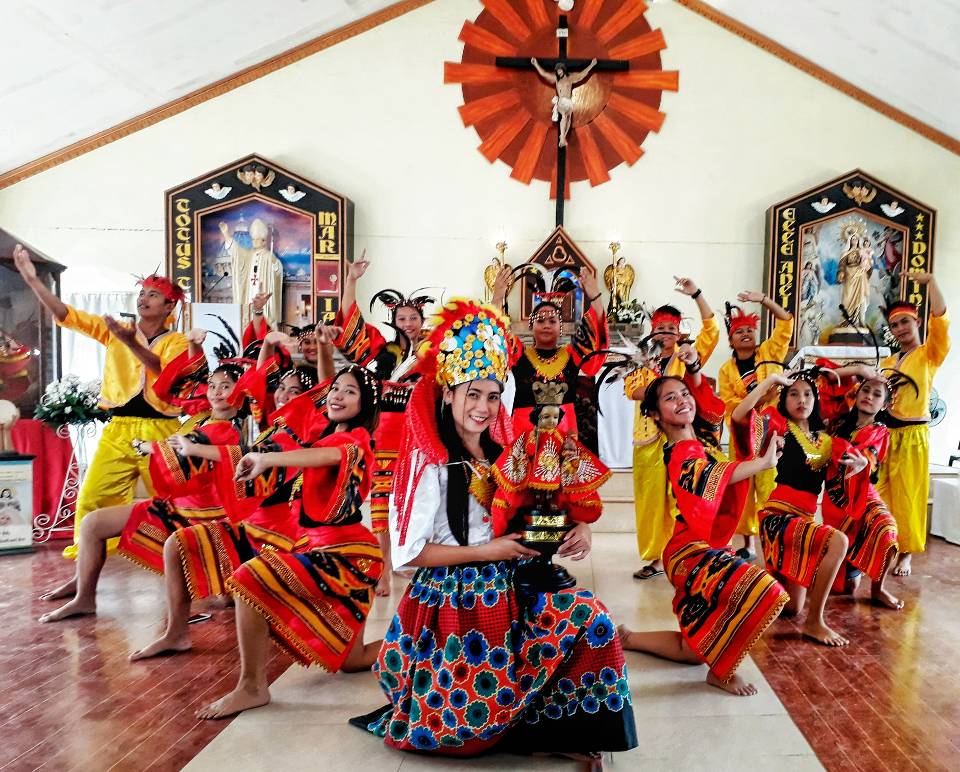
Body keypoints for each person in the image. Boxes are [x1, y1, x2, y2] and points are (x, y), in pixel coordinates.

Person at [352, 299, 637, 759]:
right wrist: (487, 552)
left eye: (492, 395)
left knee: (592, 619)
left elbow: (530, 513)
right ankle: (524, 732)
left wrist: (576, 527)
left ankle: (558, 731)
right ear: (448, 393)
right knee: (469, 720)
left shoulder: (502, 452)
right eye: (472, 394)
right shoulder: (431, 462)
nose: (483, 408)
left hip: (511, 583)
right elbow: (409, 554)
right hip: (454, 603)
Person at [195, 365, 384, 719]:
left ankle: (251, 686)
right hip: (330, 549)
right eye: (336, 389)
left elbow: (322, 456)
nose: (338, 396)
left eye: (350, 392)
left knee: (248, 577)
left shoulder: (354, 439)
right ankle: (418, 644)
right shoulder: (326, 434)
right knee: (353, 659)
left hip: (348, 556)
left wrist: (266, 458)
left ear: (366, 405)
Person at [37, 336, 245, 623]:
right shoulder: (199, 418)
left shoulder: (228, 431)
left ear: (241, 392)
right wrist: (195, 347)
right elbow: (189, 376)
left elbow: (184, 454)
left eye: (226, 387)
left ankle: (183, 621)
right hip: (174, 506)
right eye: (213, 386)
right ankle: (84, 597)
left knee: (103, 526)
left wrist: (147, 446)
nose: (216, 392)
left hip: (197, 515)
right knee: (92, 523)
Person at [617, 358, 788, 695]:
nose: (683, 400)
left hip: (703, 546)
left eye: (684, 393)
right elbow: (708, 478)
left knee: (693, 650)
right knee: (768, 592)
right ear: (653, 415)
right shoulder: (681, 451)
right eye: (670, 398)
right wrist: (760, 464)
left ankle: (627, 637)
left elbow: (737, 415)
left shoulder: (702, 439)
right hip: (690, 552)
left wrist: (765, 387)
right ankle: (721, 672)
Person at [13, 243, 188, 560]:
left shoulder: (177, 342)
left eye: (152, 294)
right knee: (92, 496)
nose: (143, 298)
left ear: (168, 306)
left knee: (176, 501)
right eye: (142, 293)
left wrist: (129, 342)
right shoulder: (117, 332)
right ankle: (89, 557)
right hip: (119, 430)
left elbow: (162, 372)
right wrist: (33, 281)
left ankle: (188, 556)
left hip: (162, 432)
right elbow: (67, 315)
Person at [731, 371, 870, 646]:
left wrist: (860, 467)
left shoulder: (828, 442)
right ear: (784, 401)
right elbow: (738, 416)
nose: (801, 399)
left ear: (816, 400)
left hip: (803, 520)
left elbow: (845, 480)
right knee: (837, 541)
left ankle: (742, 594)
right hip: (777, 517)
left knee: (791, 607)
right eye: (793, 394)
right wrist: (769, 382)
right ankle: (815, 622)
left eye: (807, 394)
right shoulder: (778, 428)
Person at [329, 255, 433, 596]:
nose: (407, 323)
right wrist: (351, 280)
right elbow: (351, 321)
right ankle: (383, 570)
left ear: (421, 319)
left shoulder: (435, 351)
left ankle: (410, 560)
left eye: (412, 317)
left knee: (417, 504)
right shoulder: (379, 348)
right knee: (380, 506)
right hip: (382, 436)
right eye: (400, 318)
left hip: (419, 439)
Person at [625, 276, 718, 580]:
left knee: (687, 496)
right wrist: (658, 389)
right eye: (660, 328)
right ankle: (655, 557)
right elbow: (632, 389)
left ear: (679, 332)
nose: (665, 334)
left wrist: (697, 294)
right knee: (651, 502)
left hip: (682, 439)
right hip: (647, 437)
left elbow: (712, 331)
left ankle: (689, 552)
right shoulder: (641, 358)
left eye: (671, 329)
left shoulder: (688, 355)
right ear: (652, 331)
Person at [876, 273, 949, 576]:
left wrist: (931, 281)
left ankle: (905, 552)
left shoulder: (929, 354)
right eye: (895, 325)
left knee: (908, 495)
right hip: (885, 435)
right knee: (879, 492)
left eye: (905, 322)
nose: (900, 329)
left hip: (914, 436)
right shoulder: (888, 362)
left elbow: (941, 318)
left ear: (917, 322)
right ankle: (882, 546)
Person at [717, 291, 793, 558]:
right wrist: (764, 396)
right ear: (731, 339)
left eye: (750, 330)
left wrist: (763, 299)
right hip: (742, 437)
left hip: (772, 434)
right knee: (743, 490)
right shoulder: (726, 371)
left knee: (771, 488)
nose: (746, 334)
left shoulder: (770, 352)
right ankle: (748, 545)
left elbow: (785, 322)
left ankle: (774, 542)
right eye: (740, 331)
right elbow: (732, 408)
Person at [491, 264, 608, 436]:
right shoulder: (518, 353)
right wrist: (497, 297)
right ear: (531, 326)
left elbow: (595, 335)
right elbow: (494, 334)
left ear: (561, 327)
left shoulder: (573, 355)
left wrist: (595, 296)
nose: (546, 325)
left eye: (552, 321)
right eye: (540, 321)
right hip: (525, 438)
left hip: (565, 438)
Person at [819, 367, 902, 610]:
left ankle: (878, 589)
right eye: (865, 390)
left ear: (884, 405)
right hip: (836, 501)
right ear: (856, 394)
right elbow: (825, 379)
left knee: (887, 529)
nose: (869, 396)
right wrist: (857, 369)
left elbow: (871, 457)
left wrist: (862, 462)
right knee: (846, 588)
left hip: (863, 495)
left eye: (877, 394)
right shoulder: (836, 421)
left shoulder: (880, 433)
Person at [219, 218, 284, 325]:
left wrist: (274, 263)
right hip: (250, 295)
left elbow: (278, 271)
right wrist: (226, 234)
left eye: (256, 240)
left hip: (263, 295)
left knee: (263, 319)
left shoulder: (269, 256)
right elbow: (236, 251)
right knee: (249, 319)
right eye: (252, 239)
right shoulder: (248, 254)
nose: (253, 242)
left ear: (263, 240)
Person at [530, 57, 598, 147]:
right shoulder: (557, 79)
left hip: (569, 102)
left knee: (568, 121)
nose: (558, 72)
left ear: (563, 70)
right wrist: (536, 64)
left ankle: (563, 139)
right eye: (557, 71)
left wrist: (592, 65)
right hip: (561, 101)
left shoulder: (570, 78)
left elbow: (583, 74)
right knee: (565, 115)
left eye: (560, 70)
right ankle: (562, 137)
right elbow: (544, 74)